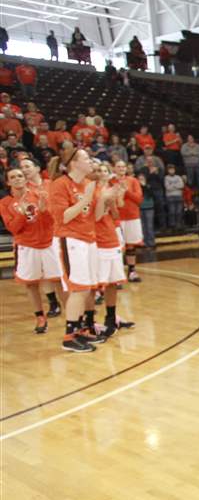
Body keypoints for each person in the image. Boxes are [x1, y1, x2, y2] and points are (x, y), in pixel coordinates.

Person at [48, 148, 107, 352]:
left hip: (88, 239)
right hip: (71, 240)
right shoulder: (60, 184)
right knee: (78, 289)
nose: (91, 161)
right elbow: (62, 217)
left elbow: (95, 217)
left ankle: (81, 329)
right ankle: (69, 336)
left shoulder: (87, 184)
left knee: (87, 288)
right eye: (86, 158)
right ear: (74, 163)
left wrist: (105, 199)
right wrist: (85, 199)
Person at [0, 166, 63, 334]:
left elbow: (52, 221)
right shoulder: (5, 203)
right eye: (13, 177)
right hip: (27, 247)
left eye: (20, 175)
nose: (17, 179)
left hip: (49, 244)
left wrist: (44, 211)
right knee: (31, 284)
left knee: (58, 281)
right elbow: (13, 229)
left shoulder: (39, 195)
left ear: (25, 178)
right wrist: (21, 214)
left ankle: (72, 319)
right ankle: (40, 316)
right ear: (8, 182)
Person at [92, 162, 134, 337]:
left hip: (111, 236)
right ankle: (89, 322)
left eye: (104, 170)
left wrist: (115, 200)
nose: (101, 173)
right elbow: (96, 216)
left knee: (112, 282)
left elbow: (116, 215)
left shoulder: (109, 189)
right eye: (98, 170)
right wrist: (104, 200)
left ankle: (111, 318)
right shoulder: (90, 191)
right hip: (96, 240)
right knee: (93, 286)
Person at [112, 159, 144, 281]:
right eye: (118, 167)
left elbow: (139, 199)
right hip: (117, 218)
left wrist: (127, 191)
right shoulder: (110, 182)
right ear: (114, 168)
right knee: (117, 247)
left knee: (131, 245)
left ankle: (132, 271)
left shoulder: (133, 181)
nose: (121, 169)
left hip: (132, 217)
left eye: (123, 167)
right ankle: (117, 275)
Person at [163, 164, 185, 230]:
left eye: (173, 169)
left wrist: (172, 185)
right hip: (170, 197)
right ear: (167, 171)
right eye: (170, 169)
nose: (171, 171)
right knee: (172, 212)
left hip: (179, 196)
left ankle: (179, 225)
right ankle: (172, 225)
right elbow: (167, 187)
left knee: (179, 212)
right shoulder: (166, 178)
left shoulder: (178, 177)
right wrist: (176, 185)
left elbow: (181, 185)